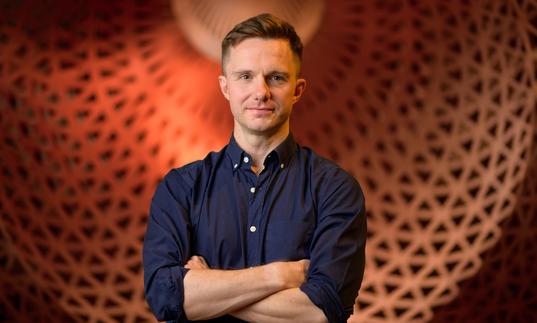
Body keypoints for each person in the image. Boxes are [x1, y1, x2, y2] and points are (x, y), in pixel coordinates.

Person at [143, 13, 366, 323]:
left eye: (276, 77)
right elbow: (165, 297)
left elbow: (320, 312)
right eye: (245, 76)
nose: (260, 92)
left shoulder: (335, 190)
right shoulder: (181, 188)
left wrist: (206, 289)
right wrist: (277, 276)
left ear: (298, 89)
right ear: (225, 87)